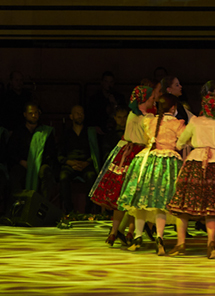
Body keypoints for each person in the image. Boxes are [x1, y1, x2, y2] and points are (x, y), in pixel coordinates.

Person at [167, 92, 215, 258]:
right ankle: (211, 244)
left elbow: (180, 142)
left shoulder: (196, 121)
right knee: (210, 205)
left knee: (184, 203)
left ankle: (180, 243)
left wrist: (191, 143)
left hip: (195, 161)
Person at [118, 92, 185, 255]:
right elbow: (183, 142)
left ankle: (138, 237)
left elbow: (146, 137)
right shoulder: (177, 123)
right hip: (166, 161)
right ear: (174, 107)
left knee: (142, 201)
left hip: (146, 160)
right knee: (160, 203)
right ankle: (159, 238)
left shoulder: (149, 121)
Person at [89, 84, 154, 245]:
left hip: (125, 151)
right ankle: (131, 232)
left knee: (121, 196)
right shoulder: (148, 118)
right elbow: (148, 138)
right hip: (139, 154)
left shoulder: (132, 114)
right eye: (152, 98)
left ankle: (113, 232)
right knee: (134, 197)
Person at [7, 102, 57, 198]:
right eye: (31, 113)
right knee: (15, 174)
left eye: (36, 113)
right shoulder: (18, 132)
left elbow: (51, 152)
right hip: (23, 164)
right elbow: (11, 151)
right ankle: (19, 205)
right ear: (25, 114)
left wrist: (38, 163)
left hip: (40, 164)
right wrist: (22, 162)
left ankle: (43, 205)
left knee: (45, 172)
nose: (34, 115)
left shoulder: (45, 131)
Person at [58, 104, 100, 215]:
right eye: (77, 113)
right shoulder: (66, 134)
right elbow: (59, 155)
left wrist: (86, 162)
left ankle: (88, 211)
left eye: (81, 113)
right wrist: (70, 162)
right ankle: (69, 211)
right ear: (71, 116)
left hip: (86, 164)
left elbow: (95, 153)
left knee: (91, 176)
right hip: (70, 164)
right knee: (63, 177)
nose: (80, 115)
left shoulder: (90, 133)